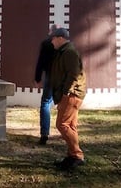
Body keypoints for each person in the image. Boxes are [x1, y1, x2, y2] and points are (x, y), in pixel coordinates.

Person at [49, 27, 87, 170]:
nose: (51, 42)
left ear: (60, 38)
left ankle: (77, 155)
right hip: (71, 93)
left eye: (52, 39)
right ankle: (72, 156)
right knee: (70, 126)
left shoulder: (69, 52)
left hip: (72, 94)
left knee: (62, 125)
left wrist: (66, 92)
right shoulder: (64, 52)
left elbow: (73, 74)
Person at [34, 24, 57, 145]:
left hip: (50, 76)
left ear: (50, 31)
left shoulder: (46, 43)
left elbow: (41, 61)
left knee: (45, 103)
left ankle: (44, 134)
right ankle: (67, 132)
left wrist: (37, 78)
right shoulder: (66, 45)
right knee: (64, 104)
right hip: (62, 77)